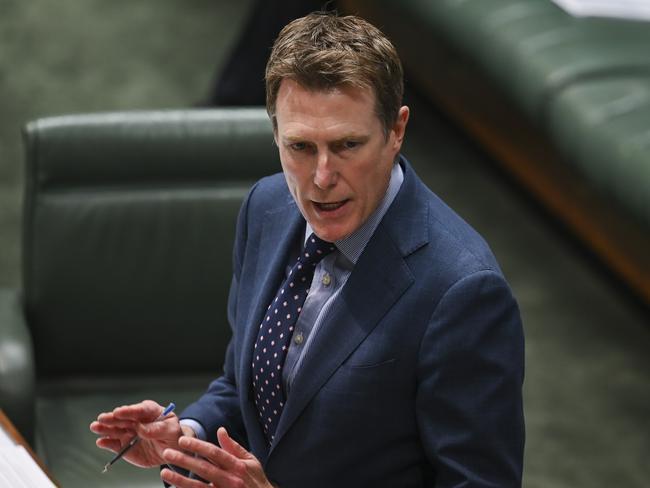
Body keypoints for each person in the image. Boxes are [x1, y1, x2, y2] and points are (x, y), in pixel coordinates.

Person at [90, 12, 525, 487]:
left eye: (347, 145)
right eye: (300, 147)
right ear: (275, 134)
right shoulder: (267, 206)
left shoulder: (464, 293)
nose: (321, 178)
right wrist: (186, 435)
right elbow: (245, 387)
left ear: (396, 130)